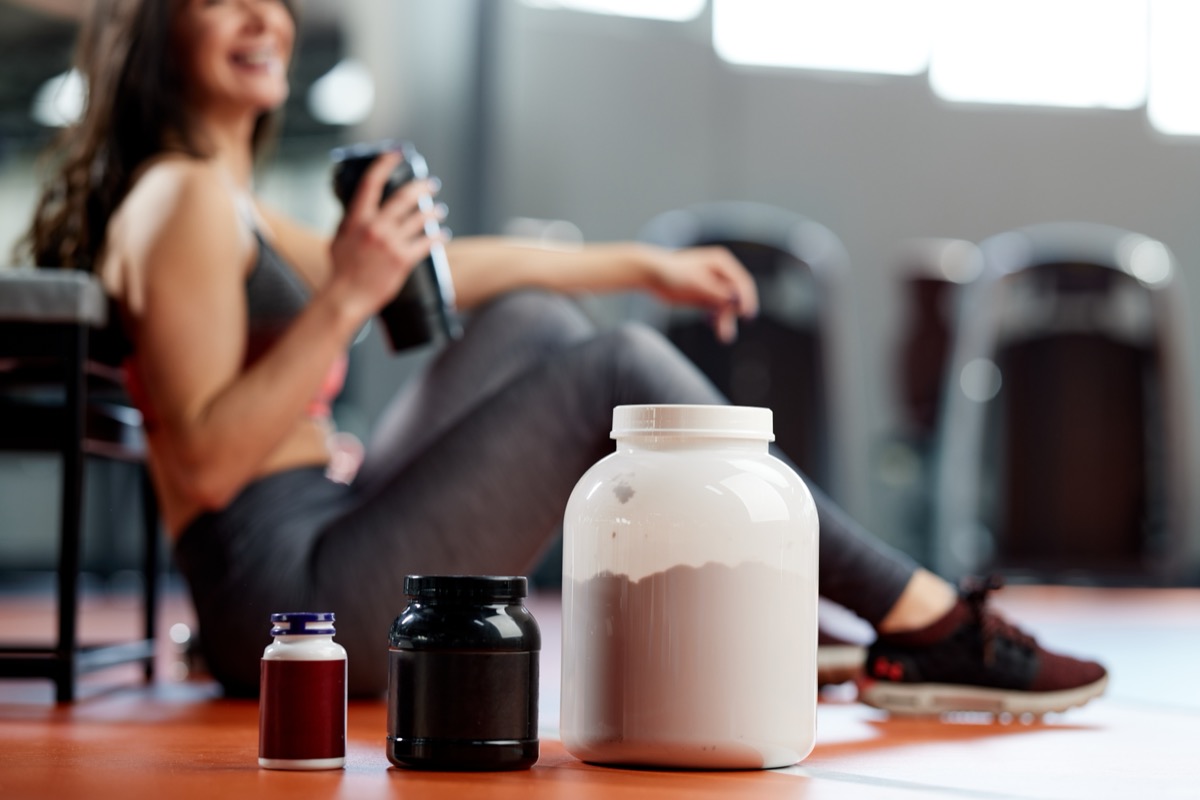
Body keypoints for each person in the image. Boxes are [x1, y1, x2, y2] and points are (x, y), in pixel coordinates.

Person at [21, 0, 1106, 716]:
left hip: (310, 537)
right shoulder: (175, 201)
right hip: (283, 601)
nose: (265, 17)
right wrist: (348, 291)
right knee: (611, 368)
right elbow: (206, 464)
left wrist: (638, 260)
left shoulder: (219, 199)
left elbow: (443, 265)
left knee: (537, 323)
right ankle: (922, 621)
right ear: (156, 26)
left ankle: (766, 600)